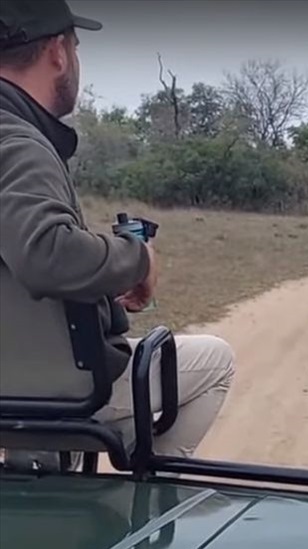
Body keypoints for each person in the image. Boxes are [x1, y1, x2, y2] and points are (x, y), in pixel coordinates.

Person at [0, 0, 235, 461]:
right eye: (76, 46)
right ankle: (147, 503)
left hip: (17, 378)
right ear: (58, 53)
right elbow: (47, 253)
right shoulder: (19, 144)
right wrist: (138, 258)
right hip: (58, 391)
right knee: (216, 360)